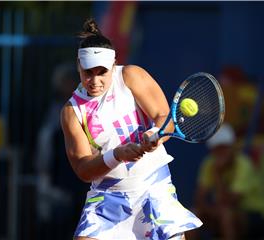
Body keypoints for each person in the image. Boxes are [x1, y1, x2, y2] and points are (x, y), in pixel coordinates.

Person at [60, 18, 202, 240]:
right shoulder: (72, 111)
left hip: (153, 188)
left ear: (114, 64)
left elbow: (164, 117)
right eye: (88, 72)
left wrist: (155, 134)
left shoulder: (131, 76)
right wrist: (116, 154)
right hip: (108, 199)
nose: (95, 80)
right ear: (78, 66)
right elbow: (83, 169)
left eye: (102, 72)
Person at [35, 62, 89, 239]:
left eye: (70, 81)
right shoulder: (55, 109)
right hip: (60, 176)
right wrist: (45, 174)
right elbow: (45, 142)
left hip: (81, 175)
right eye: (64, 81)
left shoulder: (85, 106)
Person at [191, 123, 264, 240]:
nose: (221, 153)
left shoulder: (244, 165)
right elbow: (199, 199)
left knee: (226, 215)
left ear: (232, 147)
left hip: (255, 216)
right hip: (222, 212)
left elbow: (231, 202)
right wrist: (210, 211)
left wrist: (217, 175)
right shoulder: (208, 164)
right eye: (217, 149)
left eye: (224, 148)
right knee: (192, 216)